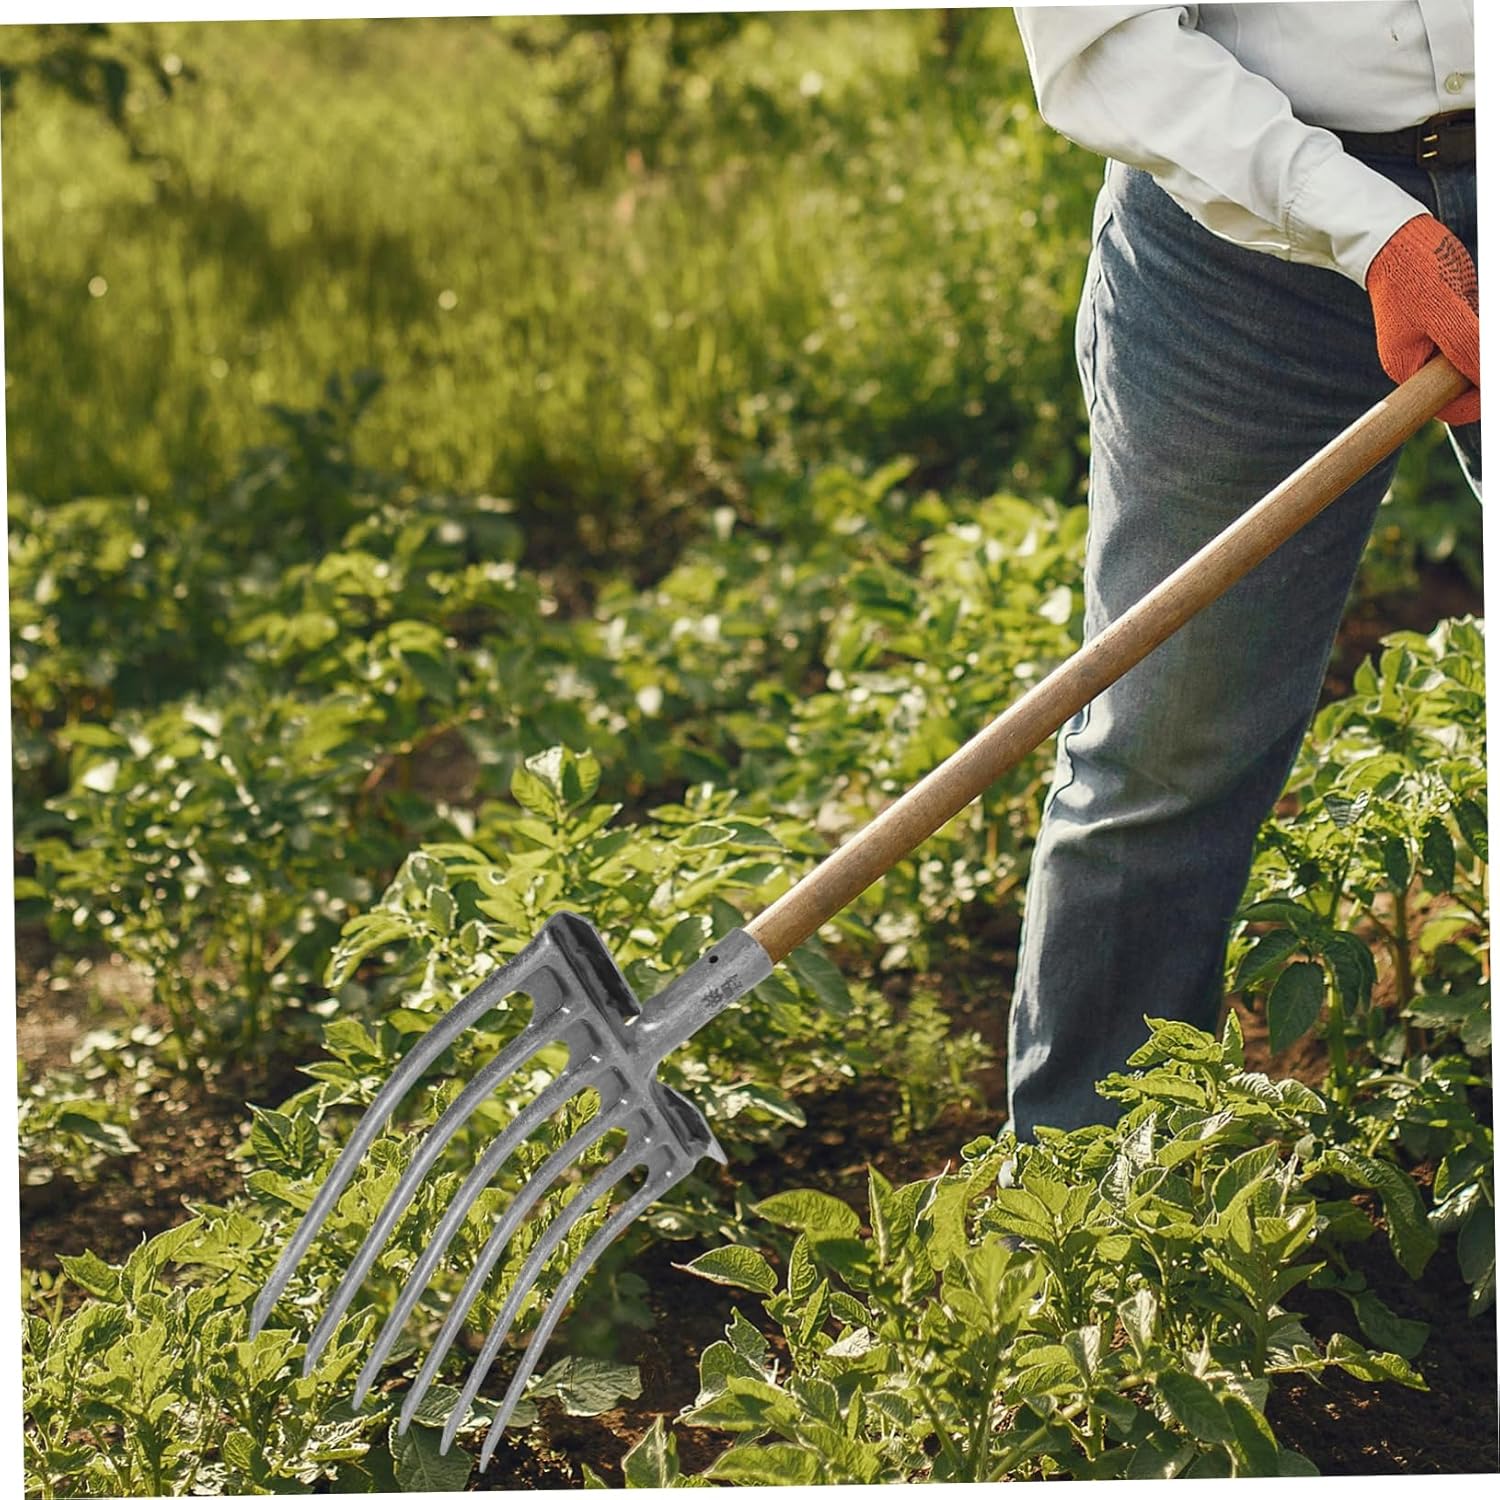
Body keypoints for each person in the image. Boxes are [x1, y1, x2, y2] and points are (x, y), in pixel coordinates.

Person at [1006, 3, 1479, 1141]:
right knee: (1168, 745)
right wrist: (1376, 232)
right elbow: (1105, 39)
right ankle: (1089, 1195)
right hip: (1241, 240)